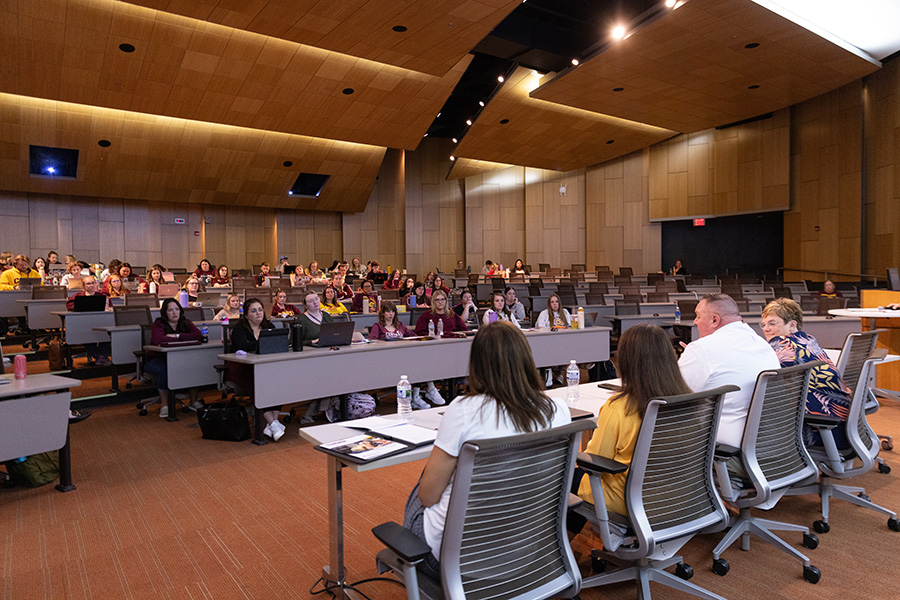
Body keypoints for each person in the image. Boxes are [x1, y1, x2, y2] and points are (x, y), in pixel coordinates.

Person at [404, 322, 572, 578]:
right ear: (526, 359)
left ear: (478, 365)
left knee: (422, 486)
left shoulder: (463, 410)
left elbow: (428, 497)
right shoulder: (558, 409)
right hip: (527, 552)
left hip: (456, 560)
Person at [571, 324, 692, 530]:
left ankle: (562, 553)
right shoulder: (689, 401)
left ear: (626, 361)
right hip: (682, 496)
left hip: (631, 500)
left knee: (565, 478)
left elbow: (593, 458)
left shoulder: (618, 407)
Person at [678, 293, 780, 447]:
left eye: (698, 316)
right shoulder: (761, 343)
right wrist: (696, 357)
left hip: (722, 449)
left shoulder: (702, 349)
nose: (695, 321)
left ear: (714, 320)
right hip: (770, 444)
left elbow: (673, 395)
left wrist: (694, 355)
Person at [761, 298, 853, 449]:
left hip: (817, 431)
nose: (766, 329)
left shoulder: (782, 344)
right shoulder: (809, 340)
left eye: (772, 323)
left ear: (792, 325)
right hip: (842, 428)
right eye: (764, 324)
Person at [226, 298, 285, 440]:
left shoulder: (268, 325)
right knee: (256, 382)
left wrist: (260, 344)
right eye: (253, 311)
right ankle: (272, 422)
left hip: (265, 365)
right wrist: (263, 343)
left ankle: (272, 423)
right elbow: (243, 346)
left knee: (281, 379)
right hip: (241, 367)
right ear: (246, 315)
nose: (258, 313)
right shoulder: (239, 328)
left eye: (260, 310)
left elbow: (277, 342)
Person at [145, 299, 205, 419]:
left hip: (180, 359)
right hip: (156, 359)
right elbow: (159, 340)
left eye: (177, 309)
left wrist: (177, 336)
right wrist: (184, 340)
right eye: (170, 310)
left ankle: (193, 401)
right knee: (165, 369)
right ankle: (165, 405)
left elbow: (198, 335)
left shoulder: (186, 323)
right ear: (165, 312)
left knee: (195, 366)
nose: (174, 313)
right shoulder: (159, 323)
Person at [64, 275, 112, 363]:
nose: (91, 285)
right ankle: (99, 356)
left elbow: (110, 306)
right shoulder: (78, 296)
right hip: (83, 323)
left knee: (107, 333)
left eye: (93, 283)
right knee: (86, 334)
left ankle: (101, 355)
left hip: (100, 323)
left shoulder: (102, 296)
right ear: (84, 286)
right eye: (88, 284)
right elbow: (69, 306)